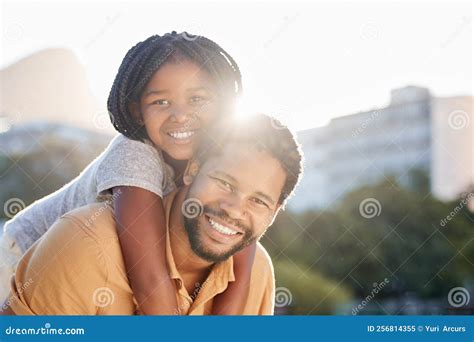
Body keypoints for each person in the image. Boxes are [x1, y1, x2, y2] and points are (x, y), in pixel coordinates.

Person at [0, 31, 256, 315]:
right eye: (161, 102)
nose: (180, 115)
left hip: (101, 270)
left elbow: (241, 266)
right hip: (19, 257)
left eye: (197, 99)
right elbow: (149, 281)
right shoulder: (134, 154)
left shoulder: (227, 156)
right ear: (137, 112)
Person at [1, 113, 304, 315]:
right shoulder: (87, 242)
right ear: (194, 169)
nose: (234, 209)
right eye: (224, 182)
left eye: (258, 201)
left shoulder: (257, 270)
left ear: (275, 212)